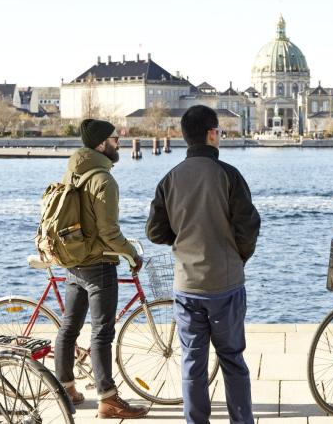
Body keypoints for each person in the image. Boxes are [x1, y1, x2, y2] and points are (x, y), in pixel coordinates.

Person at [146, 105, 261, 424]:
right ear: (212, 134)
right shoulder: (228, 175)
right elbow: (248, 226)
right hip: (225, 283)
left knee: (193, 363)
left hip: (187, 285)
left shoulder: (169, 179)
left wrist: (183, 238)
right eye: (220, 132)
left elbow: (155, 231)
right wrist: (238, 256)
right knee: (232, 360)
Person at [53, 118, 148, 419]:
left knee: (69, 328)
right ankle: (108, 399)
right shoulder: (104, 179)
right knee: (102, 334)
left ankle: (65, 389)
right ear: (100, 144)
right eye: (115, 138)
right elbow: (109, 232)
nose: (119, 142)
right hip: (98, 264)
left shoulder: (72, 173)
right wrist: (132, 253)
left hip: (74, 262)